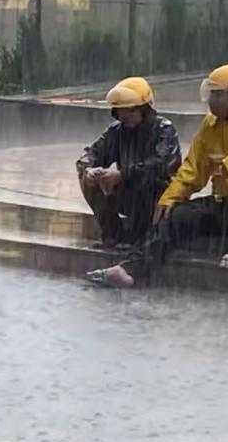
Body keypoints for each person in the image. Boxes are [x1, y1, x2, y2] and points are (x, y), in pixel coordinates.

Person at [90, 64, 228, 288]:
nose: (211, 100)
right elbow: (193, 169)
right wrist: (171, 197)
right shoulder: (210, 125)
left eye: (218, 94)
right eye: (211, 94)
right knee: (177, 216)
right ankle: (130, 269)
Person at [77, 77, 181, 288]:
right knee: (90, 179)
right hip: (129, 193)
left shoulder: (163, 129)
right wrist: (90, 169)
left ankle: (138, 242)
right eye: (121, 111)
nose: (125, 116)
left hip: (158, 196)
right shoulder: (117, 131)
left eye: (131, 111)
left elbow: (161, 165)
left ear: (144, 108)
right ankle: (113, 234)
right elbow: (92, 153)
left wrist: (123, 174)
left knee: (149, 185)